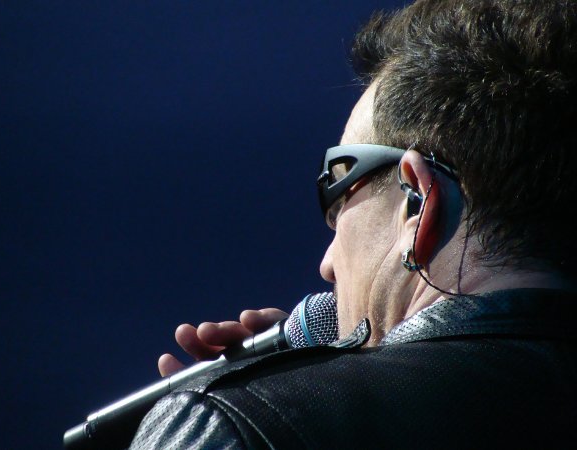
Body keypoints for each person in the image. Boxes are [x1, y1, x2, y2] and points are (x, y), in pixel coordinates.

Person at [130, 0, 577, 448]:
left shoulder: (235, 424)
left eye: (339, 191)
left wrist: (238, 411)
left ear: (417, 202)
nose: (327, 265)